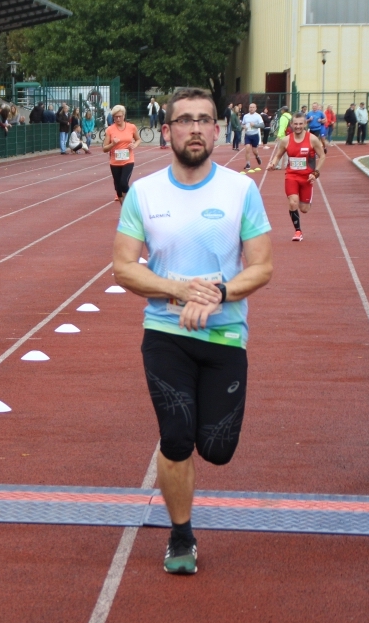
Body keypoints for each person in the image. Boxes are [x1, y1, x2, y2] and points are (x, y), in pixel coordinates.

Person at [112, 86, 273, 576]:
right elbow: (123, 267)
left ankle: (188, 478)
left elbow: (262, 266)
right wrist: (178, 291)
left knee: (217, 449)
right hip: (165, 333)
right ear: (167, 132)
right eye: (185, 120)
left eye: (204, 120)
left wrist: (217, 294)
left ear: (218, 131)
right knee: (177, 436)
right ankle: (181, 536)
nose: (196, 128)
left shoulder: (241, 190)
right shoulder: (144, 193)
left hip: (225, 336)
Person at [267, 111, 326, 242]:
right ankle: (298, 231)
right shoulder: (286, 140)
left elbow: (322, 156)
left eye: (300, 124)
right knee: (293, 202)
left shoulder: (312, 139)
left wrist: (316, 173)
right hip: (291, 176)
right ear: (291, 125)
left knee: (304, 209)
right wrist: (273, 163)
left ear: (305, 124)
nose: (298, 126)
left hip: (307, 177)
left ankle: (306, 200)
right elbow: (278, 155)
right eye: (295, 124)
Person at [101, 104, 140, 204]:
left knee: (123, 182)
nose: (118, 119)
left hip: (128, 160)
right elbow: (104, 149)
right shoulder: (110, 130)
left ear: (124, 116)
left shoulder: (131, 127)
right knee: (118, 189)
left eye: (120, 116)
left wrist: (134, 145)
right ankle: (124, 210)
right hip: (115, 162)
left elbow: (138, 139)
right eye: (115, 117)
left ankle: (131, 200)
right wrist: (112, 144)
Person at [241, 102, 263, 170]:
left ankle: (257, 156)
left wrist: (254, 125)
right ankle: (248, 164)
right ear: (249, 108)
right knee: (247, 149)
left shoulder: (258, 116)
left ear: (255, 108)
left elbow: (262, 125)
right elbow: (242, 124)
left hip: (255, 135)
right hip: (247, 135)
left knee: (254, 151)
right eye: (250, 107)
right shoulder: (245, 116)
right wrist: (243, 126)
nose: (251, 109)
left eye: (253, 107)